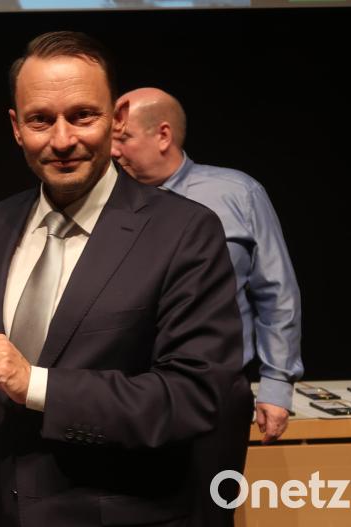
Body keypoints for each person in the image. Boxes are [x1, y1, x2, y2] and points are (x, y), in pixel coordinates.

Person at [0, 31, 246, 527]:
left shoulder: (184, 232)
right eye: (41, 119)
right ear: (17, 127)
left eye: (82, 115)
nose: (62, 140)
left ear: (116, 120)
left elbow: (194, 397)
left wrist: (36, 384)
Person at [112, 87, 303, 442]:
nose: (112, 151)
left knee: (213, 495)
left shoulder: (236, 194)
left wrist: (277, 383)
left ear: (163, 135)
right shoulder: (109, 205)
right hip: (129, 391)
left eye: (123, 138)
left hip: (216, 390)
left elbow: (276, 293)